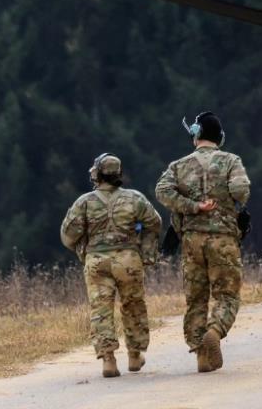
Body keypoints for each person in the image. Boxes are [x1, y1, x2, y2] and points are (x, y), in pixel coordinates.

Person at [155, 111, 250, 373]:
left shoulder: (178, 165)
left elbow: (162, 191)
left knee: (196, 299)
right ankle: (215, 330)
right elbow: (241, 191)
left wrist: (192, 206)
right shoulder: (231, 161)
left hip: (192, 241)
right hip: (223, 239)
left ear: (196, 136)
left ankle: (200, 353)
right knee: (227, 294)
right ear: (219, 136)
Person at [61, 153, 162, 378]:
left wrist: (83, 249)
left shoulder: (84, 202)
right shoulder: (135, 198)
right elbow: (154, 224)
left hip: (97, 261)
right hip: (128, 260)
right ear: (118, 174)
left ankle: (108, 359)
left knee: (101, 309)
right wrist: (145, 252)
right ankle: (135, 355)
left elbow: (68, 236)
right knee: (133, 305)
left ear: (97, 174)